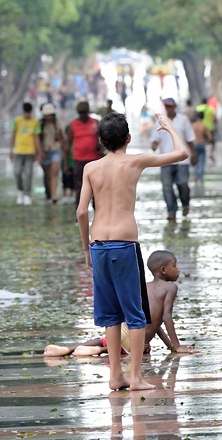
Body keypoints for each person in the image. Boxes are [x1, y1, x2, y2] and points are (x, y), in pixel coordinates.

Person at [77, 111, 188, 391]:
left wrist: (86, 249)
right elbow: (182, 153)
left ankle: (116, 375)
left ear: (101, 141)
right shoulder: (135, 161)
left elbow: (80, 212)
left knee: (111, 315)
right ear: (128, 138)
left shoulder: (90, 168)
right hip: (125, 246)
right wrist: (169, 127)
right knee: (136, 314)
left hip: (99, 245)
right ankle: (136, 377)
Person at [149, 98, 196, 221]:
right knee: (167, 187)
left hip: (182, 160)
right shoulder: (161, 121)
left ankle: (185, 204)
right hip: (166, 160)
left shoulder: (183, 120)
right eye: (167, 106)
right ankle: (171, 210)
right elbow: (155, 137)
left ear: (175, 106)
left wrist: (193, 154)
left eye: (171, 106)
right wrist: (154, 144)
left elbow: (190, 138)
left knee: (183, 184)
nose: (169, 108)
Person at [143, 250, 198, 354]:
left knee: (113, 344)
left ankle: (103, 347)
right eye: (174, 265)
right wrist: (177, 346)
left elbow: (154, 324)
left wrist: (171, 346)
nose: (178, 269)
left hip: (126, 333)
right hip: (138, 343)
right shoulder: (170, 287)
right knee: (138, 348)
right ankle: (103, 348)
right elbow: (166, 317)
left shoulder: (145, 287)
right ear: (163, 269)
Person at [64, 100, 102, 207]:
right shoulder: (73, 125)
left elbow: (102, 140)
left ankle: (98, 213)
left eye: (85, 113)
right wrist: (66, 164)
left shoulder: (95, 123)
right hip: (79, 160)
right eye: (81, 113)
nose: (83, 115)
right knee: (79, 187)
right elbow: (68, 145)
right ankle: (80, 212)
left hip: (94, 159)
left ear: (88, 112)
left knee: (97, 187)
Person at [10, 102, 41, 206]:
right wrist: (11, 150)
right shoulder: (17, 121)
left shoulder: (34, 122)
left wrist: (38, 151)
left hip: (30, 151)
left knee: (28, 174)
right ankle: (20, 191)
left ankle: (27, 194)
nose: (27, 115)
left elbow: (36, 137)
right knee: (17, 172)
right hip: (19, 151)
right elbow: (13, 135)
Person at [37, 103, 64, 203]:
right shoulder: (40, 124)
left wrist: (61, 145)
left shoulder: (57, 124)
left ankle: (54, 195)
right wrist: (40, 152)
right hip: (45, 150)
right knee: (48, 174)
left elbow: (62, 137)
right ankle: (50, 193)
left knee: (54, 172)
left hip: (55, 149)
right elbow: (37, 139)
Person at [190, 113, 210, 185]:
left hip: (194, 144)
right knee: (202, 161)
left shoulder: (192, 126)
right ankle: (201, 177)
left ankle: (195, 176)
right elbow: (210, 137)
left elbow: (189, 136)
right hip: (201, 144)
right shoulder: (204, 126)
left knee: (195, 160)